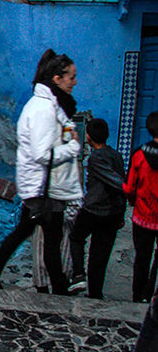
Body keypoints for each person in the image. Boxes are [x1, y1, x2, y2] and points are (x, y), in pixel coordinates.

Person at [0, 49, 81, 294]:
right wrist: (73, 147)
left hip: (41, 188)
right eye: (71, 77)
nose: (74, 82)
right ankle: (59, 289)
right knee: (49, 245)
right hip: (43, 190)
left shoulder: (47, 106)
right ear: (57, 79)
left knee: (27, 236)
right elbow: (43, 154)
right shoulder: (43, 109)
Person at [67, 118, 125, 298]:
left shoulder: (96, 158)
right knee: (101, 252)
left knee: (76, 237)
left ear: (89, 137)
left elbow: (117, 182)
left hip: (95, 209)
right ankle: (95, 291)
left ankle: (78, 275)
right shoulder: (116, 155)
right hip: (113, 212)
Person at [123, 111, 158, 303]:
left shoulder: (139, 154)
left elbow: (129, 187)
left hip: (142, 215)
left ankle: (138, 296)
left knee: (141, 258)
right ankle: (152, 293)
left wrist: (131, 198)